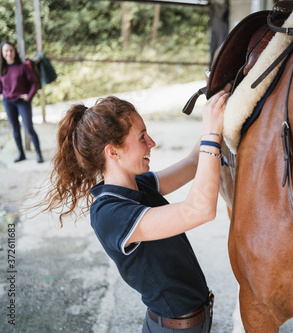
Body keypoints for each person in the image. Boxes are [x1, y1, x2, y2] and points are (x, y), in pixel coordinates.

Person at [40, 91, 230, 332]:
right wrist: (212, 133)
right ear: (113, 152)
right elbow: (199, 210)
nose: (152, 142)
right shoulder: (110, 214)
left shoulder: (140, 184)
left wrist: (223, 108)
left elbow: (194, 162)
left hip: (195, 321)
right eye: (142, 137)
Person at [0, 41, 43, 163]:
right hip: (8, 102)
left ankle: (38, 153)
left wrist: (29, 96)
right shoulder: (1, 68)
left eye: (11, 50)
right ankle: (21, 154)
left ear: (15, 52)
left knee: (29, 127)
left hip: (22, 101)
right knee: (15, 128)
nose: (9, 53)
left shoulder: (23, 67)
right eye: (6, 51)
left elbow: (34, 83)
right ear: (2, 53)